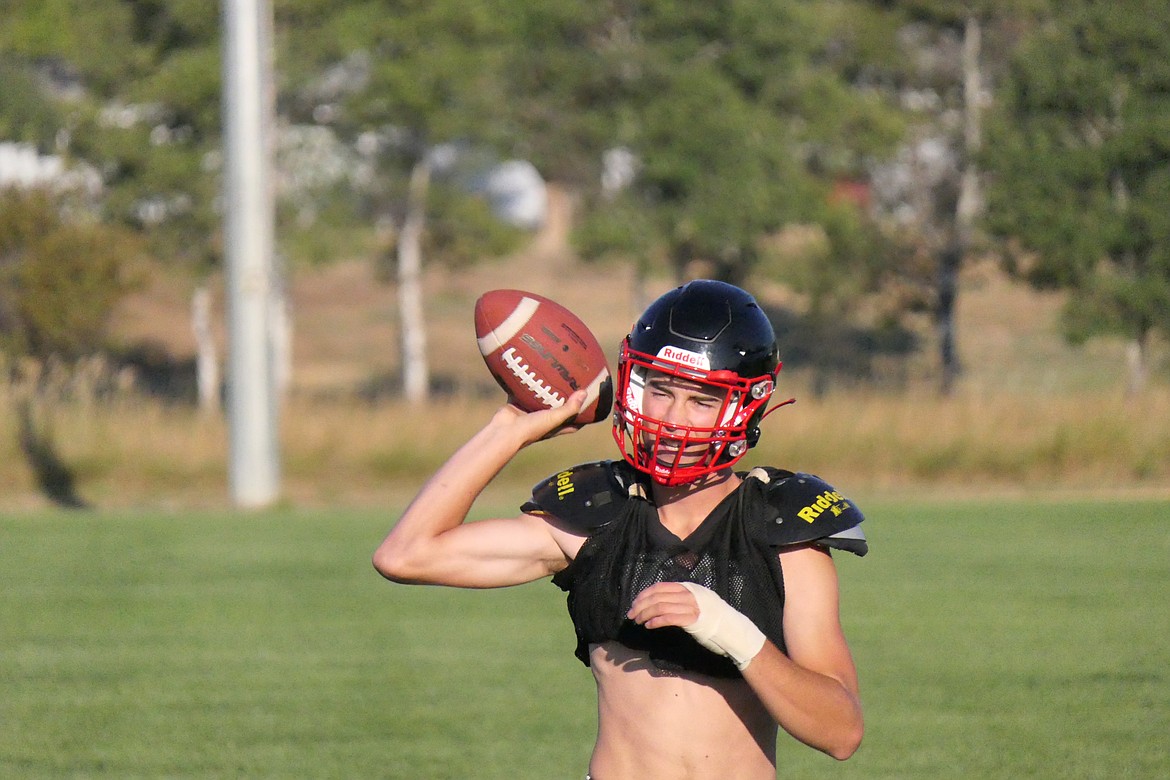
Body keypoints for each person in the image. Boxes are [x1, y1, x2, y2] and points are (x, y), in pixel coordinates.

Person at [373, 279, 868, 779]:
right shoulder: (600, 514)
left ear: (746, 405)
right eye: (660, 391)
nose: (673, 419)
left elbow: (841, 732)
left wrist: (730, 631)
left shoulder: (779, 532)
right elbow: (406, 555)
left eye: (701, 400)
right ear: (634, 386)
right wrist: (511, 427)